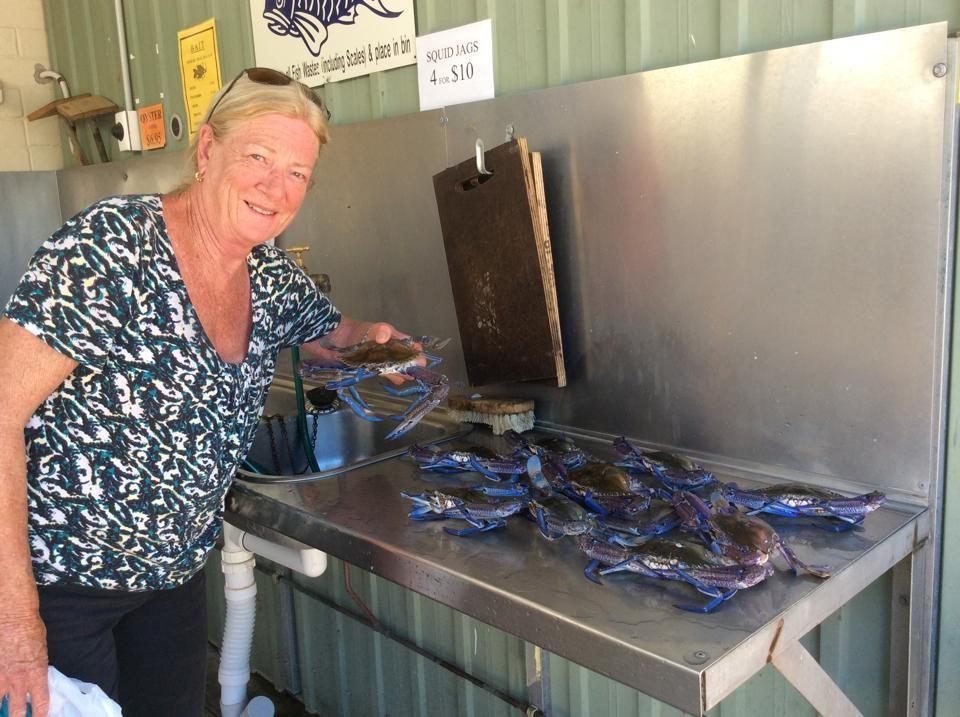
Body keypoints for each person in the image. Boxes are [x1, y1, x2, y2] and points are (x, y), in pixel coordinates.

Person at [0, 67, 413, 716]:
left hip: (171, 583)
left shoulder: (266, 276)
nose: (277, 187)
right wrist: (14, 624)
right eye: (258, 156)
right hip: (60, 588)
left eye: (297, 173)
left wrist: (376, 341)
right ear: (206, 150)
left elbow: (334, 335)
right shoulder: (114, 248)